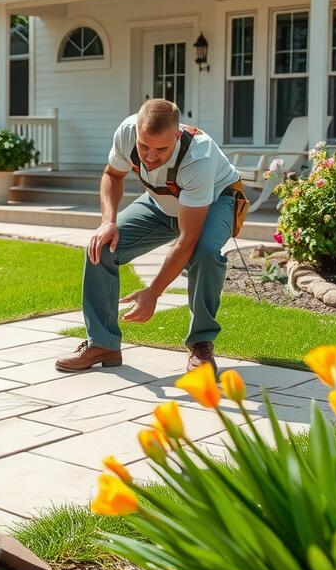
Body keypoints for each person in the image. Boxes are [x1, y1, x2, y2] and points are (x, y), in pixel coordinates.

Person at [55, 98, 245, 375]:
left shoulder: (198, 159)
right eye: (144, 146)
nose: (151, 156)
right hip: (161, 200)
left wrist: (153, 292)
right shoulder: (126, 133)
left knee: (204, 252)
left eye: (161, 149)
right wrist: (108, 222)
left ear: (177, 135)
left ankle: (201, 346)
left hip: (216, 200)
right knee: (101, 247)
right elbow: (112, 175)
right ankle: (103, 344)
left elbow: (186, 240)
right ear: (137, 133)